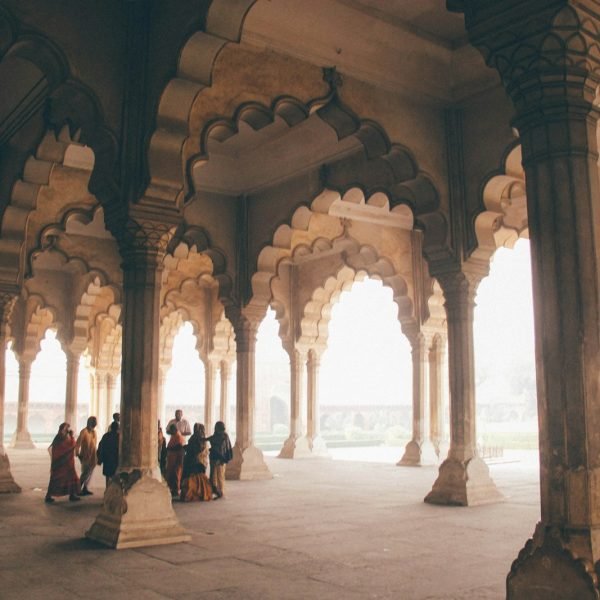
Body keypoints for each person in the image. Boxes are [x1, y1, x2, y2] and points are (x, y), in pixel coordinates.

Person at [45, 423, 80, 503]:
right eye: (66, 428)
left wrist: (71, 437)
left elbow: (72, 445)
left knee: (71, 477)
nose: (67, 430)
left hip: (68, 463)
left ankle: (72, 494)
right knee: (55, 479)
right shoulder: (59, 438)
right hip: (59, 463)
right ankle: (48, 495)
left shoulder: (66, 436)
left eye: (67, 428)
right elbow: (61, 448)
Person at [180, 423, 212, 502]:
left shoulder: (198, 437)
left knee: (194, 477)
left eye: (196, 428)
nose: (194, 429)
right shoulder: (198, 437)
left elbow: (198, 448)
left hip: (195, 460)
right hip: (193, 459)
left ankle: (194, 493)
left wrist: (188, 448)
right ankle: (194, 493)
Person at [205, 421, 233, 499]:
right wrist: (203, 439)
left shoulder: (224, 436)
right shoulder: (216, 435)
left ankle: (221, 491)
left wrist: (222, 459)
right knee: (213, 475)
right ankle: (214, 490)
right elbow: (211, 439)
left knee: (220, 476)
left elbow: (224, 448)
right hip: (214, 458)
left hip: (220, 459)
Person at [75, 416, 98, 495]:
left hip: (93, 456)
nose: (95, 423)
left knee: (90, 473)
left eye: (95, 422)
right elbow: (78, 443)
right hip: (85, 456)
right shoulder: (84, 432)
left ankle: (85, 488)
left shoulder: (94, 432)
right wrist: (77, 454)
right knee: (85, 473)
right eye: (94, 422)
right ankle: (78, 489)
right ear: (90, 422)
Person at [97, 421, 119, 487]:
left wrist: (100, 459)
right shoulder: (119, 436)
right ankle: (112, 491)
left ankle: (107, 489)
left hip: (107, 459)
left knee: (108, 476)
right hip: (115, 459)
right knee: (115, 476)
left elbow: (101, 447)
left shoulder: (106, 436)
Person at [166, 423, 185, 498]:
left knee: (176, 475)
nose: (170, 432)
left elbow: (179, 447)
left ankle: (176, 490)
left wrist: (170, 449)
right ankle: (173, 489)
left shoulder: (178, 436)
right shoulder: (174, 435)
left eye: (171, 430)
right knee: (173, 475)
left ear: (174, 429)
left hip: (177, 459)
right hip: (172, 459)